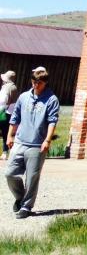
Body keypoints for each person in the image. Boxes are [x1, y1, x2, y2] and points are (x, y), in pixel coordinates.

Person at [5, 66, 59, 219]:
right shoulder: (23, 97)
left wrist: (47, 140)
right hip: (20, 142)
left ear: (45, 83)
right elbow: (15, 117)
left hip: (37, 145)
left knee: (32, 178)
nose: (36, 85)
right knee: (10, 174)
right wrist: (10, 136)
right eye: (34, 82)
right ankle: (20, 197)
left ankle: (26, 207)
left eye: (39, 83)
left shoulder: (51, 99)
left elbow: (52, 121)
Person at [0, 72, 18, 161]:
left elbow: (3, 101)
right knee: (5, 133)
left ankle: (5, 152)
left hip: (3, 112)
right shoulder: (13, 87)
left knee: (5, 133)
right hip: (9, 113)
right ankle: (5, 152)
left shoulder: (7, 87)